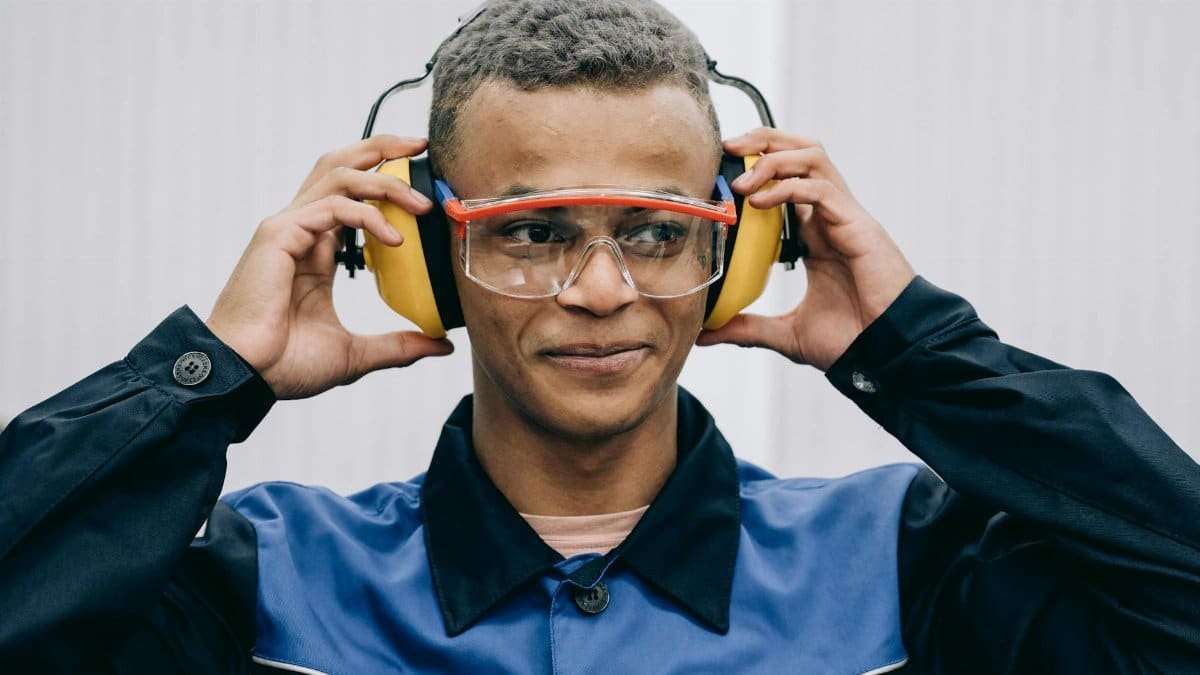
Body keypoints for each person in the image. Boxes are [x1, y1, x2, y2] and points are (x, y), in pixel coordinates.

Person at [1, 0, 1198, 672]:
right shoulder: (266, 577)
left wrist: (917, 347)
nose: (600, 288)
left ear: (735, 250)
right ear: (422, 257)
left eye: (656, 231)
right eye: (531, 235)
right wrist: (208, 378)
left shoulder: (907, 564)